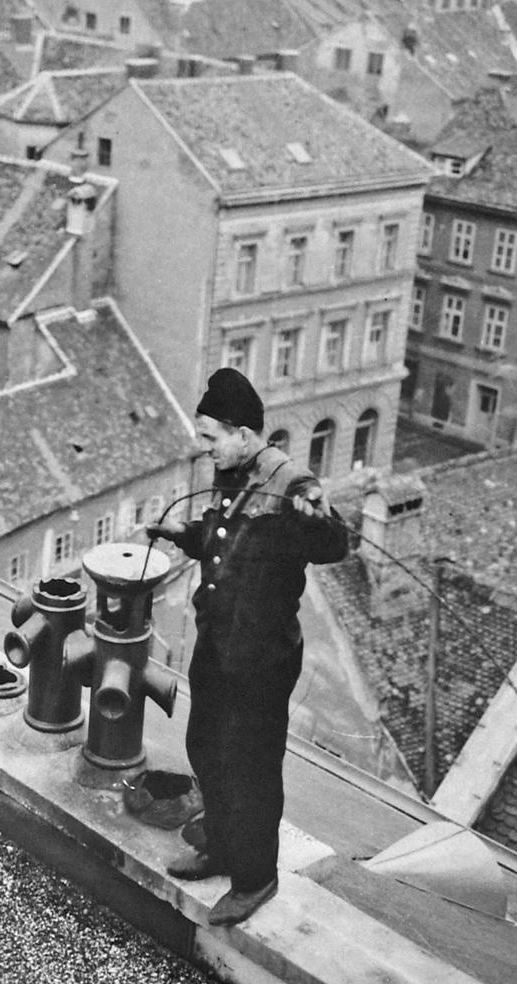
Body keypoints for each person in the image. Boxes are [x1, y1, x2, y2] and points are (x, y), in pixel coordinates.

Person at [146, 368, 348, 927]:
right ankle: (220, 845)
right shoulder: (230, 473)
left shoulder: (289, 482)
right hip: (218, 643)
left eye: (211, 437)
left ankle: (256, 877)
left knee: (252, 766)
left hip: (261, 658)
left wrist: (318, 512)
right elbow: (219, 539)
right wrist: (176, 533)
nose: (205, 448)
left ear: (241, 432)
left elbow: (335, 543)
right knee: (205, 746)